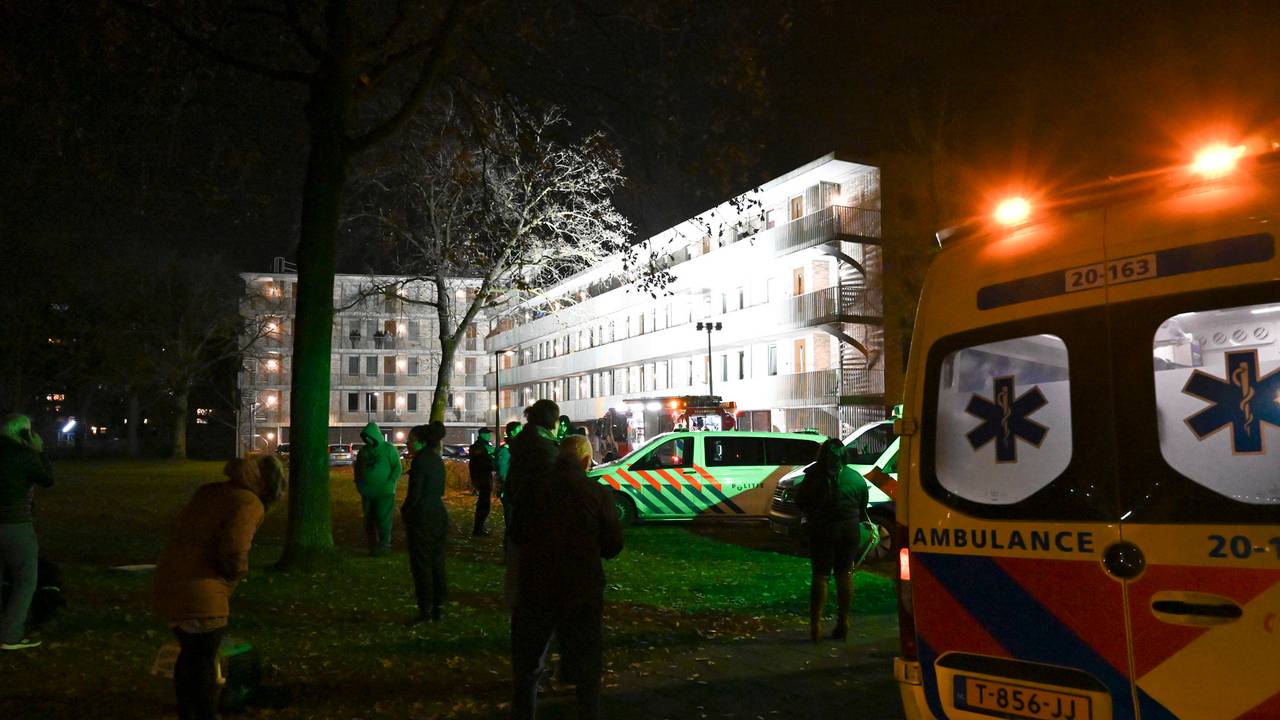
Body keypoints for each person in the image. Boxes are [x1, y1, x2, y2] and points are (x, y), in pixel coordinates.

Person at [153, 454, 285, 720]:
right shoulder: (249, 502)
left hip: (170, 580)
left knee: (189, 655)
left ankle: (188, 712)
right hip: (202, 591)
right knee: (202, 659)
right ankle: (203, 714)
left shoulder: (210, 492)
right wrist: (237, 573)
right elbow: (234, 549)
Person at [510, 435, 623, 720]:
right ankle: (588, 712)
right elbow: (612, 546)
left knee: (529, 663)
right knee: (587, 660)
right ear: (586, 461)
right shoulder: (597, 493)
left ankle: (525, 713)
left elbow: (517, 534)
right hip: (581, 586)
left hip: (536, 585)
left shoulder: (532, 490)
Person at [794, 438, 869, 642]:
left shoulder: (812, 477)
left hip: (822, 530)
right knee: (844, 575)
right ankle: (843, 622)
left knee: (821, 576)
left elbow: (799, 501)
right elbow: (863, 505)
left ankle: (816, 625)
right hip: (849, 531)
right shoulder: (855, 478)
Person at [0, 414, 54, 651]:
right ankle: (10, 634)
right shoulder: (23, 455)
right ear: (25, 433)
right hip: (14, 523)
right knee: (25, 578)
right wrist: (39, 451)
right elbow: (47, 479)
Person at [503, 401, 561, 607]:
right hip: (540, 522)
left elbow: (511, 485)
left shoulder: (524, 442)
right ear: (551, 420)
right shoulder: (544, 448)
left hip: (523, 518)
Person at [402, 422, 449, 624]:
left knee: (422, 565)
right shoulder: (436, 459)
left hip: (423, 518)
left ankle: (425, 611)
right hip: (438, 515)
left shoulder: (420, 462)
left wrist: (406, 512)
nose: (407, 443)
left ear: (421, 442)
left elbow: (415, 495)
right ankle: (438, 606)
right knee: (437, 562)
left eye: (410, 440)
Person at [355, 422, 402, 556]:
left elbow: (397, 467)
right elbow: (358, 468)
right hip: (367, 492)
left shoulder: (389, 449)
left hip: (385, 492)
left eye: (370, 436)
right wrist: (358, 484)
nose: (368, 439)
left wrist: (391, 482)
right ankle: (372, 545)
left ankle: (384, 545)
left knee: (383, 518)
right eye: (365, 437)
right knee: (369, 519)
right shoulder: (363, 451)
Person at [469, 428, 496, 536]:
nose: (490, 435)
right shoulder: (480, 447)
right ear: (482, 434)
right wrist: (491, 461)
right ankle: (478, 529)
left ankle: (479, 527)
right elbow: (482, 462)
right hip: (482, 478)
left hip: (482, 477)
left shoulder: (482, 446)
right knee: (484, 504)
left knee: (484, 503)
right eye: (488, 434)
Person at [495, 421, 522, 502]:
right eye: (519, 430)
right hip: (510, 490)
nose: (522, 432)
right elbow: (503, 472)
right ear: (512, 433)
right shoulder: (506, 450)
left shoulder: (517, 448)